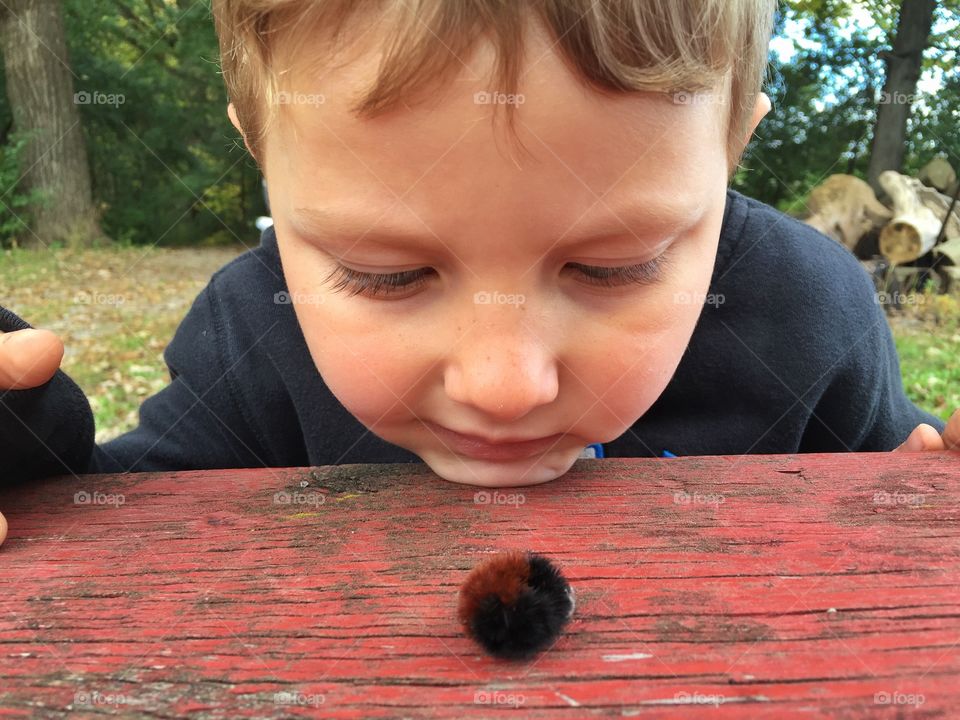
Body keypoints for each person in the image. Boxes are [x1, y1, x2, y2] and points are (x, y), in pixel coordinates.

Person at [1, 0, 957, 545]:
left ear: (732, 148)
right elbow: (112, 517)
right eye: (385, 274)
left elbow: (885, 482)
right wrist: (23, 435)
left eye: (613, 266)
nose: (505, 386)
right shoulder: (255, 331)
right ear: (263, 151)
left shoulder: (812, 310)